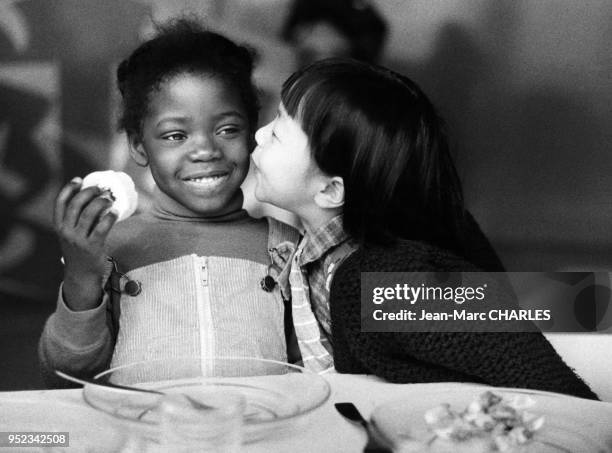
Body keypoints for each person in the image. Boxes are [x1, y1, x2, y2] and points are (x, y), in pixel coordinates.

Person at [251, 58, 597, 399]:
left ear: (329, 191)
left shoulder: (382, 283)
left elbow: (539, 373)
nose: (259, 133)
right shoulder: (312, 246)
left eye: (278, 132)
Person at [39, 19, 298, 386]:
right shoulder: (111, 248)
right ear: (139, 146)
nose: (206, 150)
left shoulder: (286, 247)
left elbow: (316, 368)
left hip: (257, 438)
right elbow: (63, 376)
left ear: (253, 133)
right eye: (176, 135)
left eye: (227, 129)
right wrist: (81, 276)